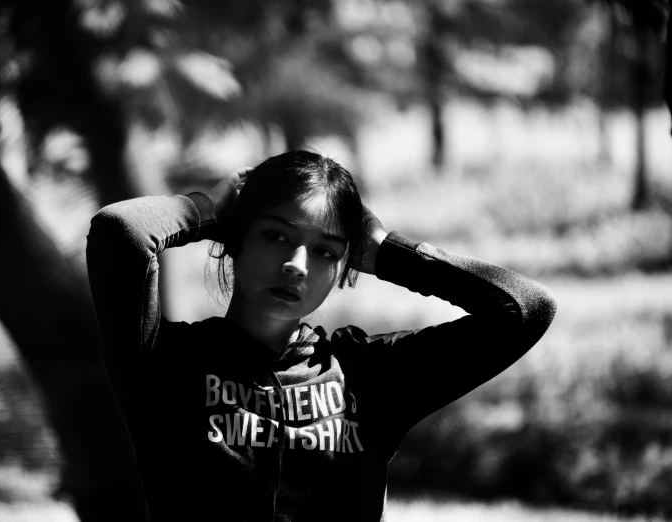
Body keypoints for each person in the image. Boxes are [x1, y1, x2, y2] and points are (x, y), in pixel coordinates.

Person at [85, 150, 557, 522]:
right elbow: (120, 232)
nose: (296, 265)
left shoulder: (369, 378)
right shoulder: (166, 362)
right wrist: (206, 209)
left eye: (325, 252)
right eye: (276, 236)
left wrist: (387, 252)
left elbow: (524, 309)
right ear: (236, 237)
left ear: (345, 268)